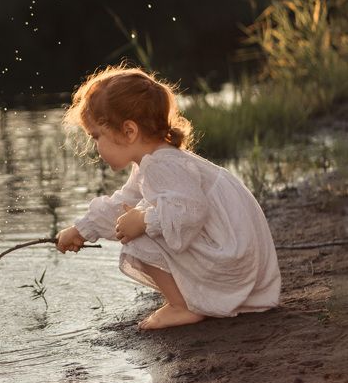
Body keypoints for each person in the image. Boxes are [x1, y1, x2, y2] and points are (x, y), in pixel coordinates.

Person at [56, 65, 281, 331]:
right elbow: (123, 203)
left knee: (137, 234)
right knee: (135, 217)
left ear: (129, 131)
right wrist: (81, 230)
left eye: (96, 137)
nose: (96, 147)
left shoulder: (163, 164)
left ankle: (181, 306)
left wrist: (144, 221)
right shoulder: (153, 162)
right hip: (238, 259)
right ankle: (187, 301)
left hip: (233, 261)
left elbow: (191, 211)